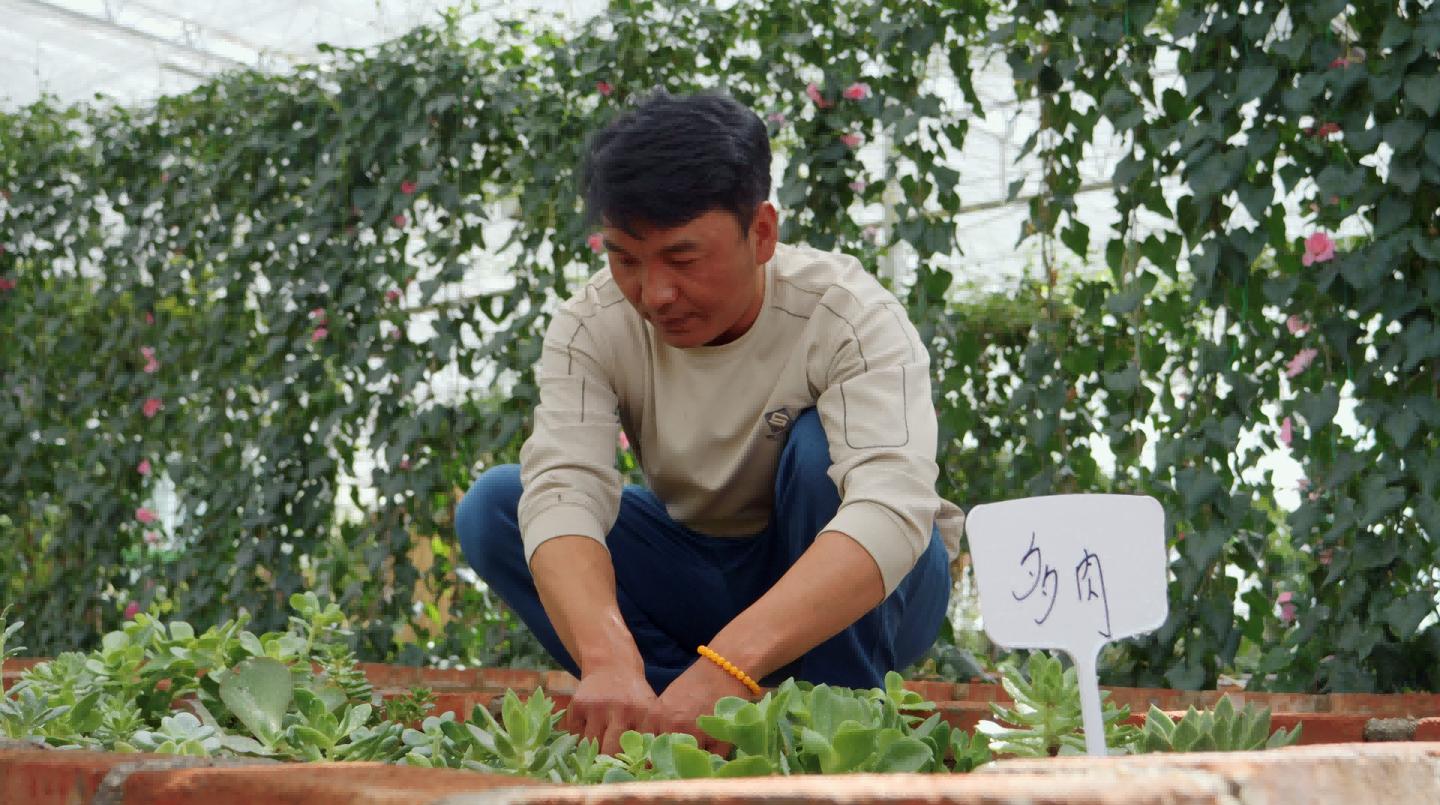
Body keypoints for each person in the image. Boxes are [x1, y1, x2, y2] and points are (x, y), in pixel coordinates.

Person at [455, 90, 963, 755]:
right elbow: (564, 488)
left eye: (683, 258)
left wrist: (728, 664)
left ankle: (842, 720)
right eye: (625, 259)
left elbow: (891, 507)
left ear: (762, 233)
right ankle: (671, 716)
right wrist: (607, 656)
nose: (655, 294)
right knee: (499, 504)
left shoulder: (843, 313)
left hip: (879, 593)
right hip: (706, 571)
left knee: (818, 452)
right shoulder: (592, 325)